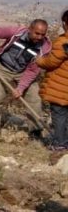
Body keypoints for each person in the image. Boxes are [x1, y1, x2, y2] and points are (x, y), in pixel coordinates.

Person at [0, 19, 50, 132]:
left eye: (42, 34)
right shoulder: (16, 32)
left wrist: (20, 88)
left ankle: (35, 130)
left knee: (34, 99)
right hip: (3, 68)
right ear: (30, 29)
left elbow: (32, 71)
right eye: (36, 33)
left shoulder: (44, 48)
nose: (39, 37)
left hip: (24, 72)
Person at [36, 10, 68, 150]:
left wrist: (39, 60)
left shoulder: (63, 42)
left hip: (60, 88)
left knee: (59, 116)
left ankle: (60, 145)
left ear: (65, 23)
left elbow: (51, 62)